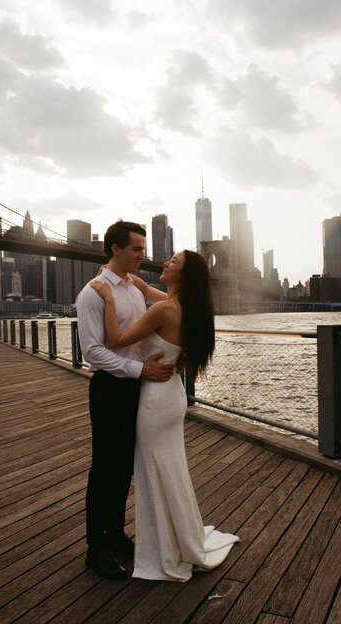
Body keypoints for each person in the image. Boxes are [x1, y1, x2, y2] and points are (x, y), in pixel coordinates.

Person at [90, 249, 239, 582]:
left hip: (155, 400)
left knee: (153, 471)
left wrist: (109, 298)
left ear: (182, 276)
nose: (165, 263)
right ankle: (180, 536)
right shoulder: (187, 307)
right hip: (172, 394)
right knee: (171, 469)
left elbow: (115, 341)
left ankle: (166, 547)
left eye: (173, 262)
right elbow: (155, 295)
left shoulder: (162, 310)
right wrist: (138, 285)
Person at [76, 220, 174, 582]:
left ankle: (115, 535)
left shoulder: (134, 287)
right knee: (104, 469)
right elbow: (92, 352)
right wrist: (139, 370)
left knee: (125, 469)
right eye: (137, 249)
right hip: (111, 390)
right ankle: (94, 549)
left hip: (138, 388)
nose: (143, 257)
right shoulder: (92, 293)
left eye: (144, 250)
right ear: (115, 248)